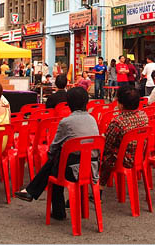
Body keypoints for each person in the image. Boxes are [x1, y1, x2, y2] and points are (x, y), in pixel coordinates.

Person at [14, 87, 100, 220]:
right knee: (58, 159)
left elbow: (54, 146)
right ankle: (31, 191)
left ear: (69, 103)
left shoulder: (66, 122)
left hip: (73, 169)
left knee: (54, 161)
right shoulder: (92, 119)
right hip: (92, 166)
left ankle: (52, 207)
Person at [99, 86, 149, 186]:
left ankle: (99, 187)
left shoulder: (118, 122)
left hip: (122, 160)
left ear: (120, 104)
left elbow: (107, 146)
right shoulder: (144, 115)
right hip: (139, 156)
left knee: (99, 155)